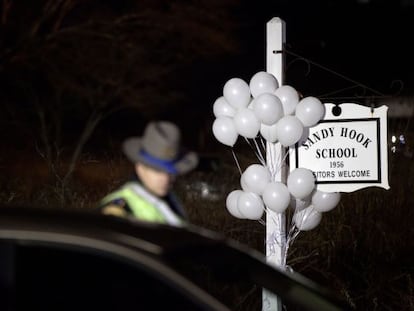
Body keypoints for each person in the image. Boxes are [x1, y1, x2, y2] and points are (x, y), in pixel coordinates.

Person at [98, 121, 198, 226]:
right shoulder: (121, 209)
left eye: (170, 172)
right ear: (140, 167)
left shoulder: (170, 201)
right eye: (157, 170)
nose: (165, 178)